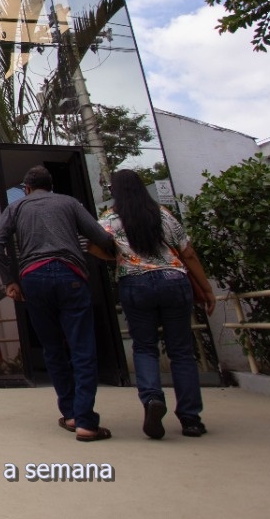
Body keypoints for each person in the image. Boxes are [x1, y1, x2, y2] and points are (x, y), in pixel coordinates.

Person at [0, 165, 119, 442]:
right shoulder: (70, 203)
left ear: (26, 188)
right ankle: (86, 421)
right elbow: (101, 237)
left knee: (53, 349)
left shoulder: (16, 208)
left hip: (33, 278)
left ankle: (70, 413)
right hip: (69, 274)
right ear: (51, 186)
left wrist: (10, 280)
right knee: (82, 348)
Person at [99, 168, 215, 439]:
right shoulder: (162, 214)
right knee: (182, 351)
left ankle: (152, 399)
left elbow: (96, 246)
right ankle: (190, 418)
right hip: (174, 280)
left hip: (136, 283)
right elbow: (188, 253)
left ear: (114, 191)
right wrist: (207, 289)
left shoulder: (110, 220)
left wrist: (119, 256)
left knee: (144, 347)